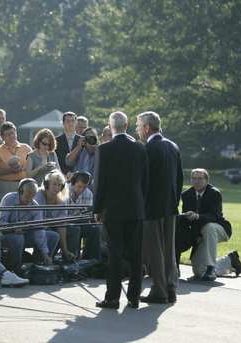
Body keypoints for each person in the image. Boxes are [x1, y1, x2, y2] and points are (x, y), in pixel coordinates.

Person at [93, 111, 148, 309]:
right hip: (135, 208)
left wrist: (97, 208)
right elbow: (145, 181)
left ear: (110, 126)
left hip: (112, 209)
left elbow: (100, 182)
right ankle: (134, 297)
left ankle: (113, 297)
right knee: (135, 254)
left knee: (115, 254)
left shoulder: (105, 149)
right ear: (126, 126)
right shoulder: (140, 149)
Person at [136, 111, 183, 304]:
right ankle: (171, 288)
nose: (137, 129)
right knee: (168, 248)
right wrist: (174, 200)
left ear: (147, 128)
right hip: (170, 205)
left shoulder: (147, 149)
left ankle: (158, 289)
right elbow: (179, 178)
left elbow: (142, 180)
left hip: (152, 207)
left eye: (138, 125)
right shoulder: (173, 146)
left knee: (154, 248)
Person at [176, 169, 241, 281]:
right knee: (199, 272)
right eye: (194, 178)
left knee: (209, 226)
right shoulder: (186, 195)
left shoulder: (214, 193)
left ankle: (211, 269)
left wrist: (197, 216)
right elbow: (186, 222)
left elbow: (215, 216)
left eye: (200, 178)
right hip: (200, 235)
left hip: (219, 229)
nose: (196, 181)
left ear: (207, 181)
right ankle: (230, 261)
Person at [0, 178, 60, 271]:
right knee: (18, 238)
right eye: (27, 196)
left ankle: (39, 265)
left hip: (26, 235)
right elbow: (0, 223)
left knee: (53, 236)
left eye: (33, 196)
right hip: (7, 236)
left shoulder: (35, 205)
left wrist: (46, 255)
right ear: (20, 191)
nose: (30, 200)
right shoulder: (8, 199)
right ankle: (17, 268)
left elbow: (39, 230)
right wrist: (14, 228)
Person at [34, 171, 75, 261]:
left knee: (74, 229)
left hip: (54, 226)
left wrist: (65, 250)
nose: (57, 187)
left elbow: (62, 222)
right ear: (47, 184)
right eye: (54, 184)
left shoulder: (61, 198)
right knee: (54, 234)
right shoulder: (38, 195)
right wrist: (56, 220)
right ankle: (42, 260)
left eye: (59, 185)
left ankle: (68, 257)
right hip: (38, 228)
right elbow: (39, 219)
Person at [0, 122, 32, 206]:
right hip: (4, 185)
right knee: (4, 210)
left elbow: (33, 164)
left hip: (23, 185)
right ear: (2, 136)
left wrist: (22, 167)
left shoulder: (26, 147)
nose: (12, 136)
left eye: (13, 133)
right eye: (8, 134)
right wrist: (9, 170)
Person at [66, 171, 101, 260]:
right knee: (75, 229)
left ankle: (92, 259)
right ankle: (71, 259)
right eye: (79, 187)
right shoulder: (64, 191)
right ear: (73, 183)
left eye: (84, 187)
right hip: (65, 223)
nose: (81, 190)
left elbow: (88, 214)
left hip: (80, 221)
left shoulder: (88, 193)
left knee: (95, 229)